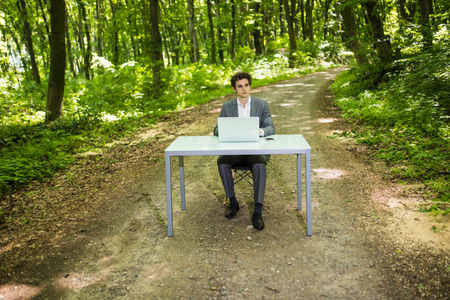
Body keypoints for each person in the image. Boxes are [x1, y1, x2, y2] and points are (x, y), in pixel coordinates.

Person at [213, 72, 275, 230]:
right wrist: (225, 130)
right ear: (234, 88)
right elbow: (216, 129)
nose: (244, 88)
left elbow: (270, 128)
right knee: (222, 161)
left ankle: (257, 211)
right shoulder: (227, 107)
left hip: (255, 150)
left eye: (246, 85)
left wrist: (259, 132)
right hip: (235, 151)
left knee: (260, 163)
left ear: (250, 86)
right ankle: (233, 202)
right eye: (240, 86)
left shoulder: (261, 104)